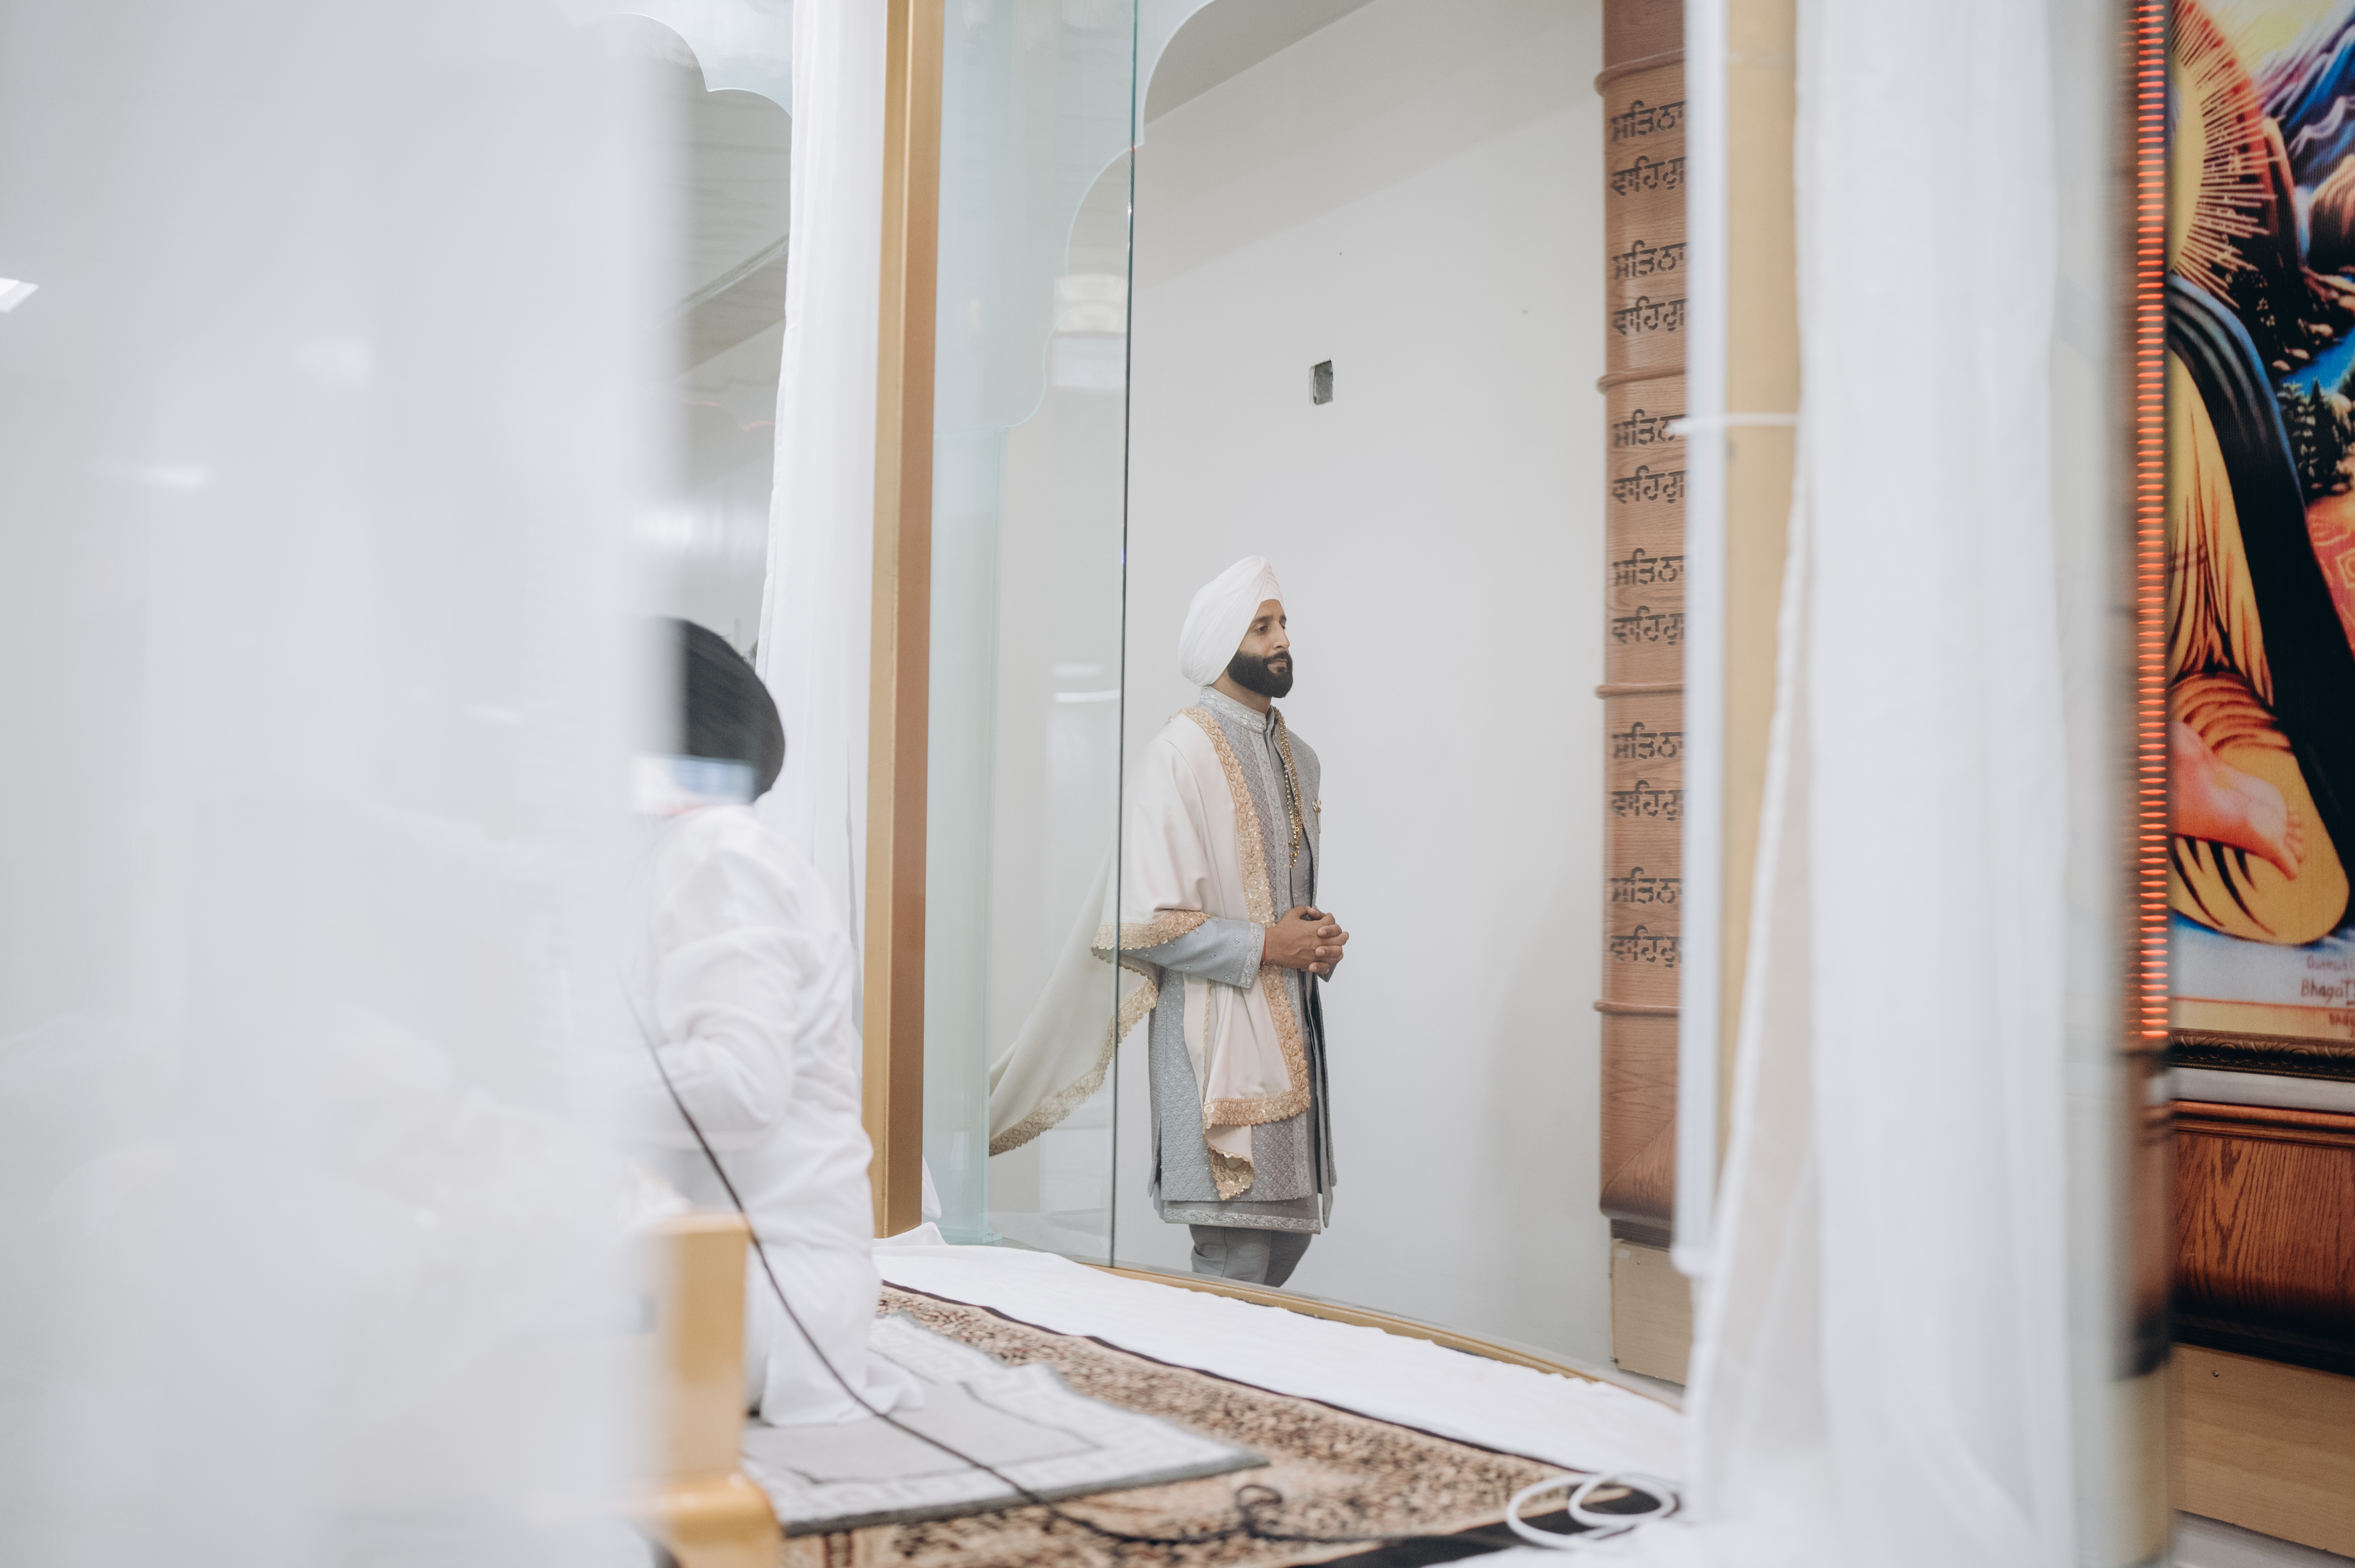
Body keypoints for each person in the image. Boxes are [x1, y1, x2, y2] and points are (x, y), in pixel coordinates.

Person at [988, 557, 1347, 1288]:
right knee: (1233, 1261)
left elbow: (1285, 903)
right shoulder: (1178, 755)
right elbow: (1143, 922)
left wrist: (1314, 942)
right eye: (1262, 626)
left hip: (1292, 1042)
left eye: (1282, 624)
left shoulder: (1299, 759)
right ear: (1221, 643)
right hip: (1211, 1048)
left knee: (1283, 1252)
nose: (1282, 640)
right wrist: (1271, 944)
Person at [621, 619, 916, 1424]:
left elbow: (741, 1088)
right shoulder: (671, 856)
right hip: (722, 1267)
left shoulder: (717, 853)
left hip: (770, 1290)